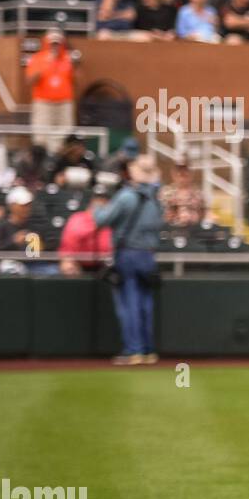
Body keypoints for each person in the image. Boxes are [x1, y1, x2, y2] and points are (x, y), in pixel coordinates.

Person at [96, 156, 163, 365]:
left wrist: (99, 205)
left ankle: (133, 350)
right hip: (148, 255)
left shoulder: (126, 197)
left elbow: (101, 220)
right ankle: (147, 350)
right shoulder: (155, 200)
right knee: (145, 303)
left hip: (128, 253)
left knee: (129, 303)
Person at [25, 30, 77, 154]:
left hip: (64, 103)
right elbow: (30, 81)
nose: (55, 47)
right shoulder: (38, 59)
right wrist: (45, 65)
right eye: (52, 44)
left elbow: (77, 80)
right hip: (44, 103)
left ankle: (60, 161)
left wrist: (76, 64)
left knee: (64, 135)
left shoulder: (68, 59)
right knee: (41, 136)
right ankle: (41, 161)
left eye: (57, 44)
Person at [58, 186, 112, 275]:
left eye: (104, 200)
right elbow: (69, 248)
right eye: (97, 200)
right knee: (68, 265)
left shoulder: (113, 220)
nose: (100, 203)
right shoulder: (78, 219)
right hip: (79, 263)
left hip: (106, 264)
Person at [158, 162, 206, 227]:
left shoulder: (198, 193)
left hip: (194, 229)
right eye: (179, 173)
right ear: (173, 174)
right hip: (172, 229)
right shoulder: (166, 192)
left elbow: (203, 212)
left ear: (190, 174)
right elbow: (160, 213)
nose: (182, 177)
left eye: (185, 173)